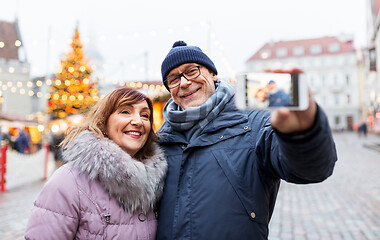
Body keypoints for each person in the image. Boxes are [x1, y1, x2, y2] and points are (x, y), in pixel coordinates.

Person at [156, 40, 337, 239]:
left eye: (191, 71)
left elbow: (311, 170)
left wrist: (302, 134)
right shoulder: (159, 140)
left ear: (213, 74)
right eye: (173, 79)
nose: (184, 82)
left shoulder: (256, 123)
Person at [25, 87, 167, 239]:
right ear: (103, 121)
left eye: (145, 115)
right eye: (125, 111)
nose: (138, 121)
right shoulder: (69, 180)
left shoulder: (157, 181)